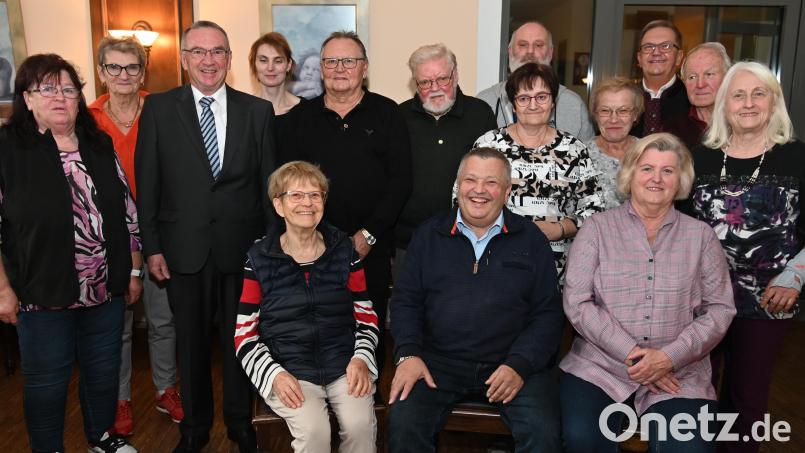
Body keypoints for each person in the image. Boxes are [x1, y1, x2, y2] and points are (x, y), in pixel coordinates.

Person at [134, 20, 276, 453]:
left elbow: (270, 186)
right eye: (198, 52)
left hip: (244, 250)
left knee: (243, 342)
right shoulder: (159, 108)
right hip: (183, 251)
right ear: (183, 59)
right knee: (190, 345)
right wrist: (152, 247)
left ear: (230, 59)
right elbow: (149, 182)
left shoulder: (257, 111)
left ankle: (240, 422)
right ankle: (194, 429)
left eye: (218, 52)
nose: (208, 60)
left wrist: (270, 249)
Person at [0, 53, 141, 453]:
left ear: (80, 98)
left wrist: (132, 273)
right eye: (47, 89)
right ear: (27, 98)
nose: (60, 97)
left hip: (104, 288)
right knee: (48, 380)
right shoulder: (8, 149)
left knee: (102, 371)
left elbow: (128, 214)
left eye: (68, 89)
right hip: (40, 290)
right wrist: (3, 290)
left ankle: (101, 438)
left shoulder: (98, 143)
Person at [560, 133, 736, 452]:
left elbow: (720, 310)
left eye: (667, 171)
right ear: (630, 174)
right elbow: (578, 303)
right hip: (600, 367)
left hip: (679, 374)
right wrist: (637, 356)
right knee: (581, 437)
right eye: (647, 169)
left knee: (689, 448)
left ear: (680, 179)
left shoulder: (702, 237)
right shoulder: (596, 229)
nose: (656, 178)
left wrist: (669, 357)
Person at [388, 147, 564, 453]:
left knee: (545, 434)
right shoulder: (429, 235)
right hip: (437, 362)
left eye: (491, 183)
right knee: (402, 425)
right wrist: (407, 354)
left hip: (510, 362)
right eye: (470, 180)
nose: (479, 191)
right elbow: (405, 301)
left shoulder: (531, 240)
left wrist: (519, 365)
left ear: (507, 191)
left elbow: (547, 314)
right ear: (458, 186)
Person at [683, 61, 805, 453]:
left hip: (771, 296)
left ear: (774, 103)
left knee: (746, 398)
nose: (748, 103)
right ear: (724, 104)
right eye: (738, 94)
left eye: (759, 93)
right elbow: (679, 227)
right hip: (700, 297)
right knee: (695, 391)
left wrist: (796, 275)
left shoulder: (796, 157)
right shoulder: (701, 157)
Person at [280, 31, 412, 373]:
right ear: (322, 68)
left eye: (349, 61)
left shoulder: (388, 114)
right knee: (318, 329)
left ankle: (367, 402)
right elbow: (288, 184)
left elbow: (401, 181)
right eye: (331, 61)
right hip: (312, 248)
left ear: (364, 68)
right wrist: (312, 238)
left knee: (368, 330)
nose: (340, 68)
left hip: (371, 247)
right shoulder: (300, 118)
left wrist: (368, 235)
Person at [235, 161, 379, 453]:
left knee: (360, 426)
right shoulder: (259, 258)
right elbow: (244, 335)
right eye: (296, 195)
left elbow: (366, 317)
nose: (307, 203)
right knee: (314, 432)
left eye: (316, 195)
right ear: (279, 205)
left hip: (344, 364)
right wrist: (274, 374)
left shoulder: (344, 250)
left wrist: (361, 358)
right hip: (290, 368)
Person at [89, 35, 184, 437]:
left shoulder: (164, 110)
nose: (124, 75)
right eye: (114, 67)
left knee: (164, 320)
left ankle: (166, 388)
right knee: (120, 325)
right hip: (109, 238)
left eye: (132, 67)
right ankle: (120, 397)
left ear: (143, 71)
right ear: (101, 72)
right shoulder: (86, 116)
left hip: (159, 231)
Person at [474, 62, 603, 282]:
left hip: (556, 270)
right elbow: (463, 200)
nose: (533, 105)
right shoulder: (489, 145)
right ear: (513, 105)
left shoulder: (574, 150)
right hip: (496, 266)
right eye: (524, 98)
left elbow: (594, 210)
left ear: (553, 101)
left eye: (541, 97)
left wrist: (561, 229)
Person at [395, 43, 496, 267]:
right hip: (408, 241)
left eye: (443, 79)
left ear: (456, 75)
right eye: (425, 82)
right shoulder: (398, 117)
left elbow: (494, 176)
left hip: (469, 239)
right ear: (415, 83)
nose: (435, 88)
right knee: (407, 303)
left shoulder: (480, 114)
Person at [476, 21, 594, 141]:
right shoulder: (484, 102)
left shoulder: (574, 105)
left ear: (550, 52)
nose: (530, 52)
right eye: (523, 45)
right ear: (510, 51)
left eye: (538, 45)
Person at [587, 76, 644, 209]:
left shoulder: (650, 154)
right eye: (605, 111)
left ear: (635, 114)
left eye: (623, 111)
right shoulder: (578, 155)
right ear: (595, 114)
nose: (613, 119)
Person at [631, 20, 691, 137]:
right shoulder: (624, 98)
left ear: (679, 57)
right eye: (648, 47)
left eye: (666, 46)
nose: (656, 52)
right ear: (639, 58)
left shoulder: (692, 100)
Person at [670, 42, 731, 149]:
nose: (700, 84)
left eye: (709, 74)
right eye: (692, 77)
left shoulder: (742, 123)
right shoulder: (671, 129)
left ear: (728, 77)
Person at [248, 32, 301, 117]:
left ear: (288, 65)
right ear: (254, 64)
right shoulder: (242, 111)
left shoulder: (306, 110)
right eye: (263, 60)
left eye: (278, 61)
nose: (270, 68)